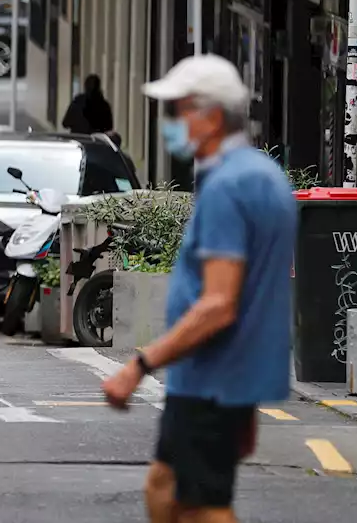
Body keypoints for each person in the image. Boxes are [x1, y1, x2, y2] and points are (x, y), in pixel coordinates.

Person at [101, 54, 296, 523]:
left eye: (177, 110)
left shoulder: (229, 187)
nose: (170, 122)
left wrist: (139, 365)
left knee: (203, 506)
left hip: (213, 376)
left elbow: (218, 304)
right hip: (230, 379)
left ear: (210, 115)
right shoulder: (264, 177)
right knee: (169, 490)